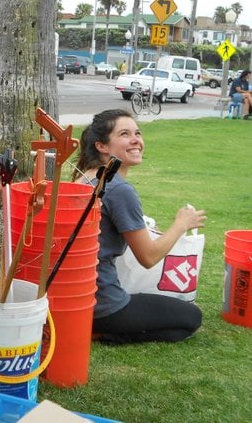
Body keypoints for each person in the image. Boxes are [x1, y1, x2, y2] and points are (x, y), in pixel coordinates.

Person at [72, 109, 206, 345]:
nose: (136, 140)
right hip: (103, 305)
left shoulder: (86, 178)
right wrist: (181, 223)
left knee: (160, 307)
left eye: (138, 133)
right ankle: (99, 333)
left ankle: (93, 328)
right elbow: (148, 256)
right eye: (124, 134)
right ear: (102, 146)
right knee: (191, 317)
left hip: (77, 298)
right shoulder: (118, 188)